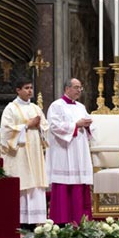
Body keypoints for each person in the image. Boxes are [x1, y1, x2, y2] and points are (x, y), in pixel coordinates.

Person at [0, 77, 49, 230]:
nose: (30, 91)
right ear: (18, 90)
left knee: (35, 184)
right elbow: (7, 131)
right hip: (19, 154)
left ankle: (37, 222)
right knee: (23, 183)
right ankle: (21, 223)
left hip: (34, 152)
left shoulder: (35, 108)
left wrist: (40, 126)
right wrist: (27, 125)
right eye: (26, 88)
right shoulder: (10, 108)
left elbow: (46, 128)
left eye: (31, 88)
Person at [46, 78, 94, 224]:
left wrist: (87, 125)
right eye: (76, 87)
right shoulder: (56, 106)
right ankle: (62, 220)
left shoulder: (80, 106)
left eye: (80, 87)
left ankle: (80, 220)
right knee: (63, 185)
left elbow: (90, 126)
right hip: (64, 151)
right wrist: (75, 125)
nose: (79, 90)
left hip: (79, 150)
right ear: (67, 89)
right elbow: (54, 126)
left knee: (79, 184)